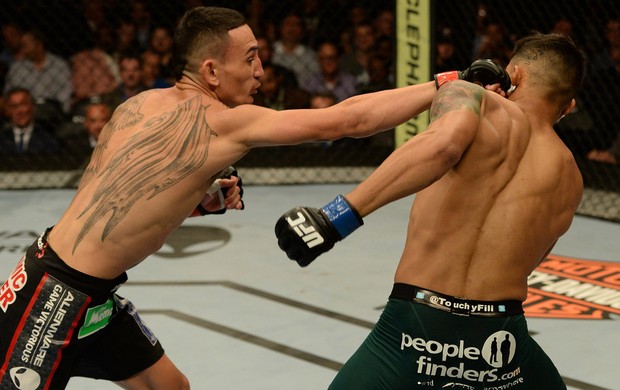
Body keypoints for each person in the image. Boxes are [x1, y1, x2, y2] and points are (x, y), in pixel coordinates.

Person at [0, 6, 508, 389]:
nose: (262, 69)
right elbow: (348, 119)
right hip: (53, 299)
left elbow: (114, 197)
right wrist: (448, 83)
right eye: (250, 58)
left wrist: (198, 202)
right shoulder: (225, 122)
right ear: (211, 71)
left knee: (170, 387)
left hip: (81, 285)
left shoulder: (139, 104)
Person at [275, 33, 585, 389]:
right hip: (498, 345)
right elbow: (526, 257)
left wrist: (336, 218)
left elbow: (442, 146)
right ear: (569, 106)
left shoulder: (471, 96)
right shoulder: (570, 177)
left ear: (513, 74)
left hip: (414, 330)